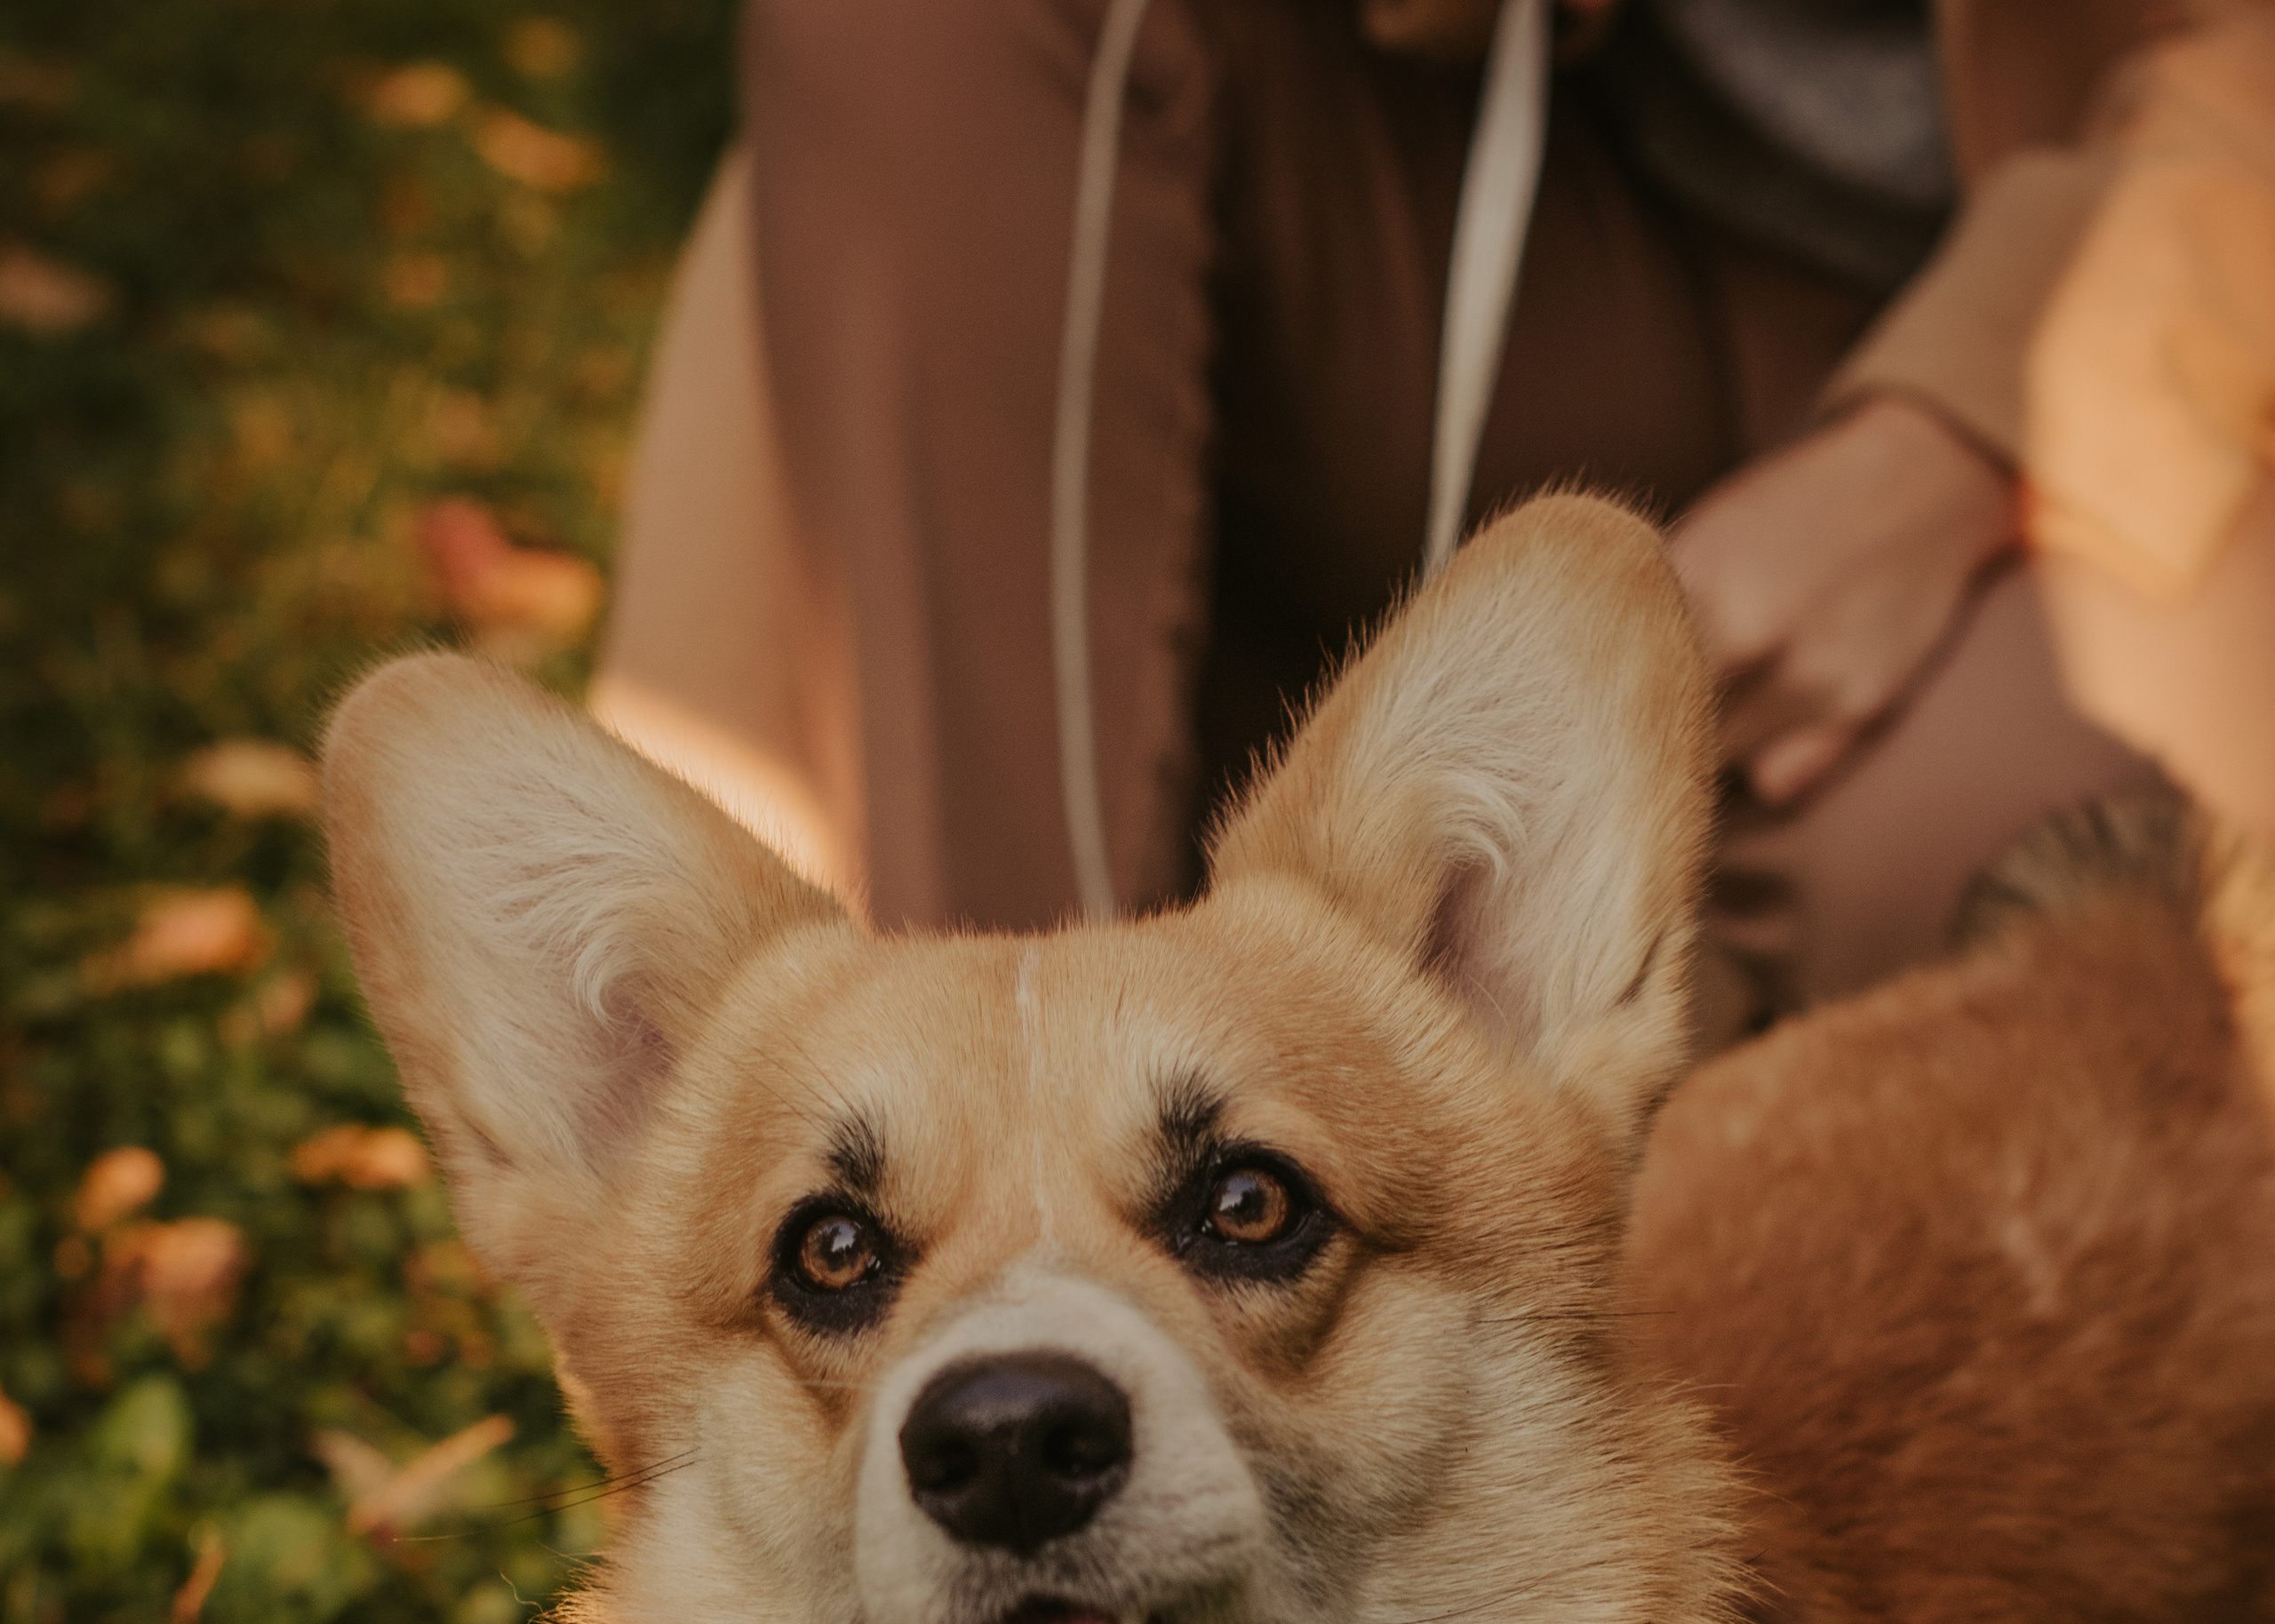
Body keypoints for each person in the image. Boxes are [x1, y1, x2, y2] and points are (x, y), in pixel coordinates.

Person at [590, 0, 2271, 1023]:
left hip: (2145, 296)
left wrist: (1956, 443)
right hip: (1525, 189)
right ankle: (979, 1178)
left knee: (1951, 875)